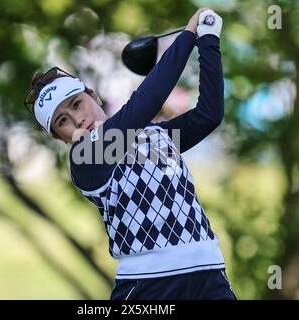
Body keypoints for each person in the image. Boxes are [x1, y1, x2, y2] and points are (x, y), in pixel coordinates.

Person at [24, 8, 236, 300]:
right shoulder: (87, 158)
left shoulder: (154, 134)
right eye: (62, 121)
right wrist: (188, 36)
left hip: (209, 273)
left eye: (76, 104)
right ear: (59, 137)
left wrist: (209, 40)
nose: (76, 120)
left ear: (93, 95)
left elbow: (208, 115)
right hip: (149, 287)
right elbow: (146, 101)